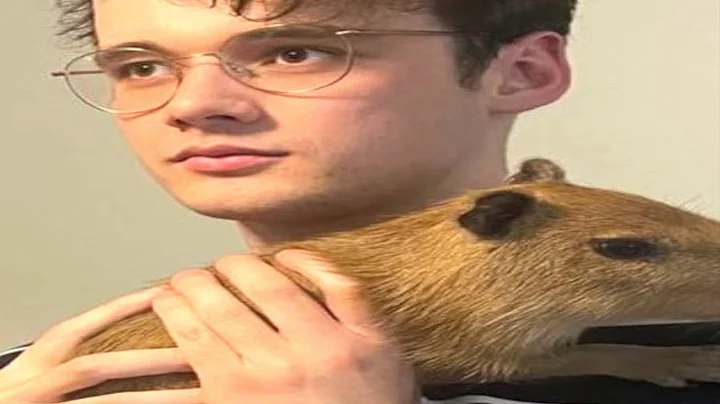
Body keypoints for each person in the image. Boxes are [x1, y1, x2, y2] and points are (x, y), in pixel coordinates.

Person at [1, 0, 719, 403]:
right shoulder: (29, 377)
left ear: (523, 71)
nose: (193, 105)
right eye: (142, 66)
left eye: (295, 52)